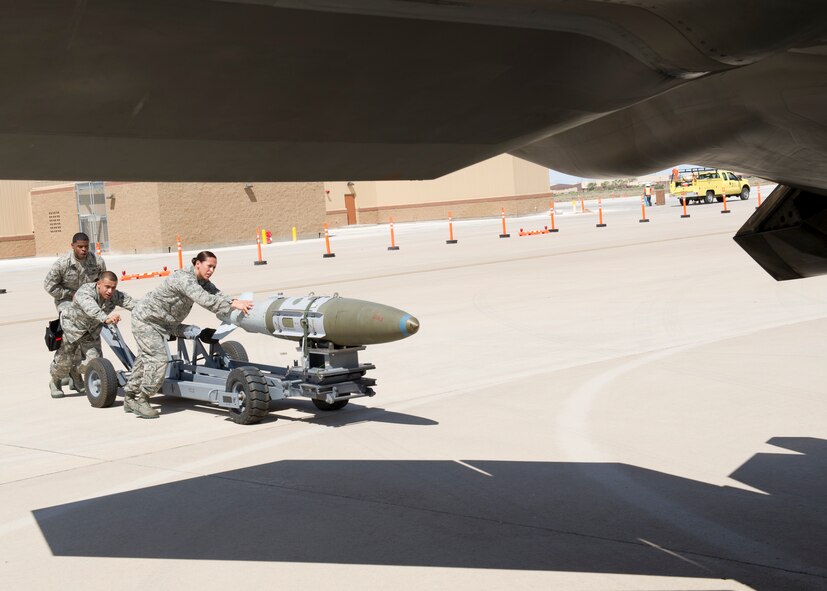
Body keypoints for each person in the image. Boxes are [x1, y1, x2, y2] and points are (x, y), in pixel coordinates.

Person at [123, 251, 253, 419]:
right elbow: (205, 300)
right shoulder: (184, 279)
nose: (211, 270)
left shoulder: (201, 280)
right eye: (209, 266)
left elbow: (215, 293)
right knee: (158, 359)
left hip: (164, 322)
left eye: (214, 267)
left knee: (144, 359)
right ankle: (142, 400)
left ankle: (129, 398)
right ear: (198, 264)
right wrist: (232, 305)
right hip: (147, 320)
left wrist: (233, 301)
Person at [49, 271, 135, 398]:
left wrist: (151, 310)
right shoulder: (85, 292)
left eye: (113, 287)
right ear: (98, 284)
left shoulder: (113, 295)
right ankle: (55, 382)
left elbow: (132, 302)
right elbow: (91, 309)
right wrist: (106, 318)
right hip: (72, 329)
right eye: (107, 287)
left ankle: (75, 372)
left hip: (91, 332)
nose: (110, 291)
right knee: (63, 362)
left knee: (94, 363)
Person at [43, 232, 107, 391]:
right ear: (72, 246)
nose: (84, 249)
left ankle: (76, 373)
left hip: (89, 304)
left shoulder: (97, 262)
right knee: (71, 339)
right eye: (80, 246)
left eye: (86, 246)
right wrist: (70, 294)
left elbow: (103, 284)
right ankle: (59, 377)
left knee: (90, 343)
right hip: (67, 303)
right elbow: (49, 286)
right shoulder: (62, 264)